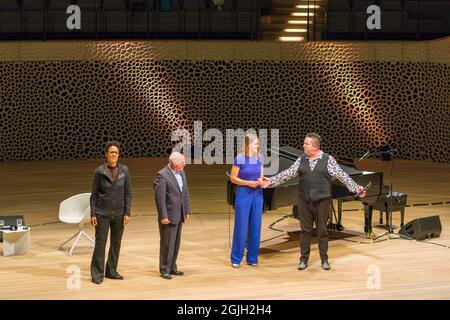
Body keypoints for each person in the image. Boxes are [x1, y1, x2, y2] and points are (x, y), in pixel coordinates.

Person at [261, 133, 366, 271]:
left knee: (322, 230)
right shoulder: (301, 159)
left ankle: (324, 259)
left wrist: (356, 188)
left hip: (322, 201)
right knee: (305, 231)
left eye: (306, 144)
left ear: (315, 146)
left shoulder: (328, 160)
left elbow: (343, 176)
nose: (303, 145)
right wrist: (271, 181)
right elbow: (288, 173)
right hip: (304, 200)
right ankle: (303, 259)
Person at [90, 141, 131, 284]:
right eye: (111, 152)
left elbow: (128, 194)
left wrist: (127, 213)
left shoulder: (124, 171)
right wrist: (93, 213)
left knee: (116, 244)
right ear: (106, 154)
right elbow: (94, 195)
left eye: (116, 152)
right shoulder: (99, 171)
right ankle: (97, 274)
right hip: (102, 214)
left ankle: (111, 271)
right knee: (100, 244)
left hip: (119, 214)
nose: (114, 154)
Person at [154, 152, 191, 280]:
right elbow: (160, 199)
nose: (185, 164)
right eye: (183, 162)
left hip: (179, 214)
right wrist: (163, 216)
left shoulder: (182, 173)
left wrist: (186, 211)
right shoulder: (162, 175)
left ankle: (172, 267)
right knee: (167, 244)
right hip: (168, 216)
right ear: (175, 163)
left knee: (175, 243)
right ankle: (165, 269)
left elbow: (185, 193)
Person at [229, 133, 264, 268]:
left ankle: (252, 257)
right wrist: (248, 183)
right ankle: (236, 258)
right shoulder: (240, 158)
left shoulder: (260, 158)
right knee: (241, 226)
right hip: (244, 193)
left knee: (256, 226)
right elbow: (233, 178)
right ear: (248, 144)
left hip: (258, 193)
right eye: (256, 143)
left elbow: (261, 174)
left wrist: (261, 180)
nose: (258, 145)